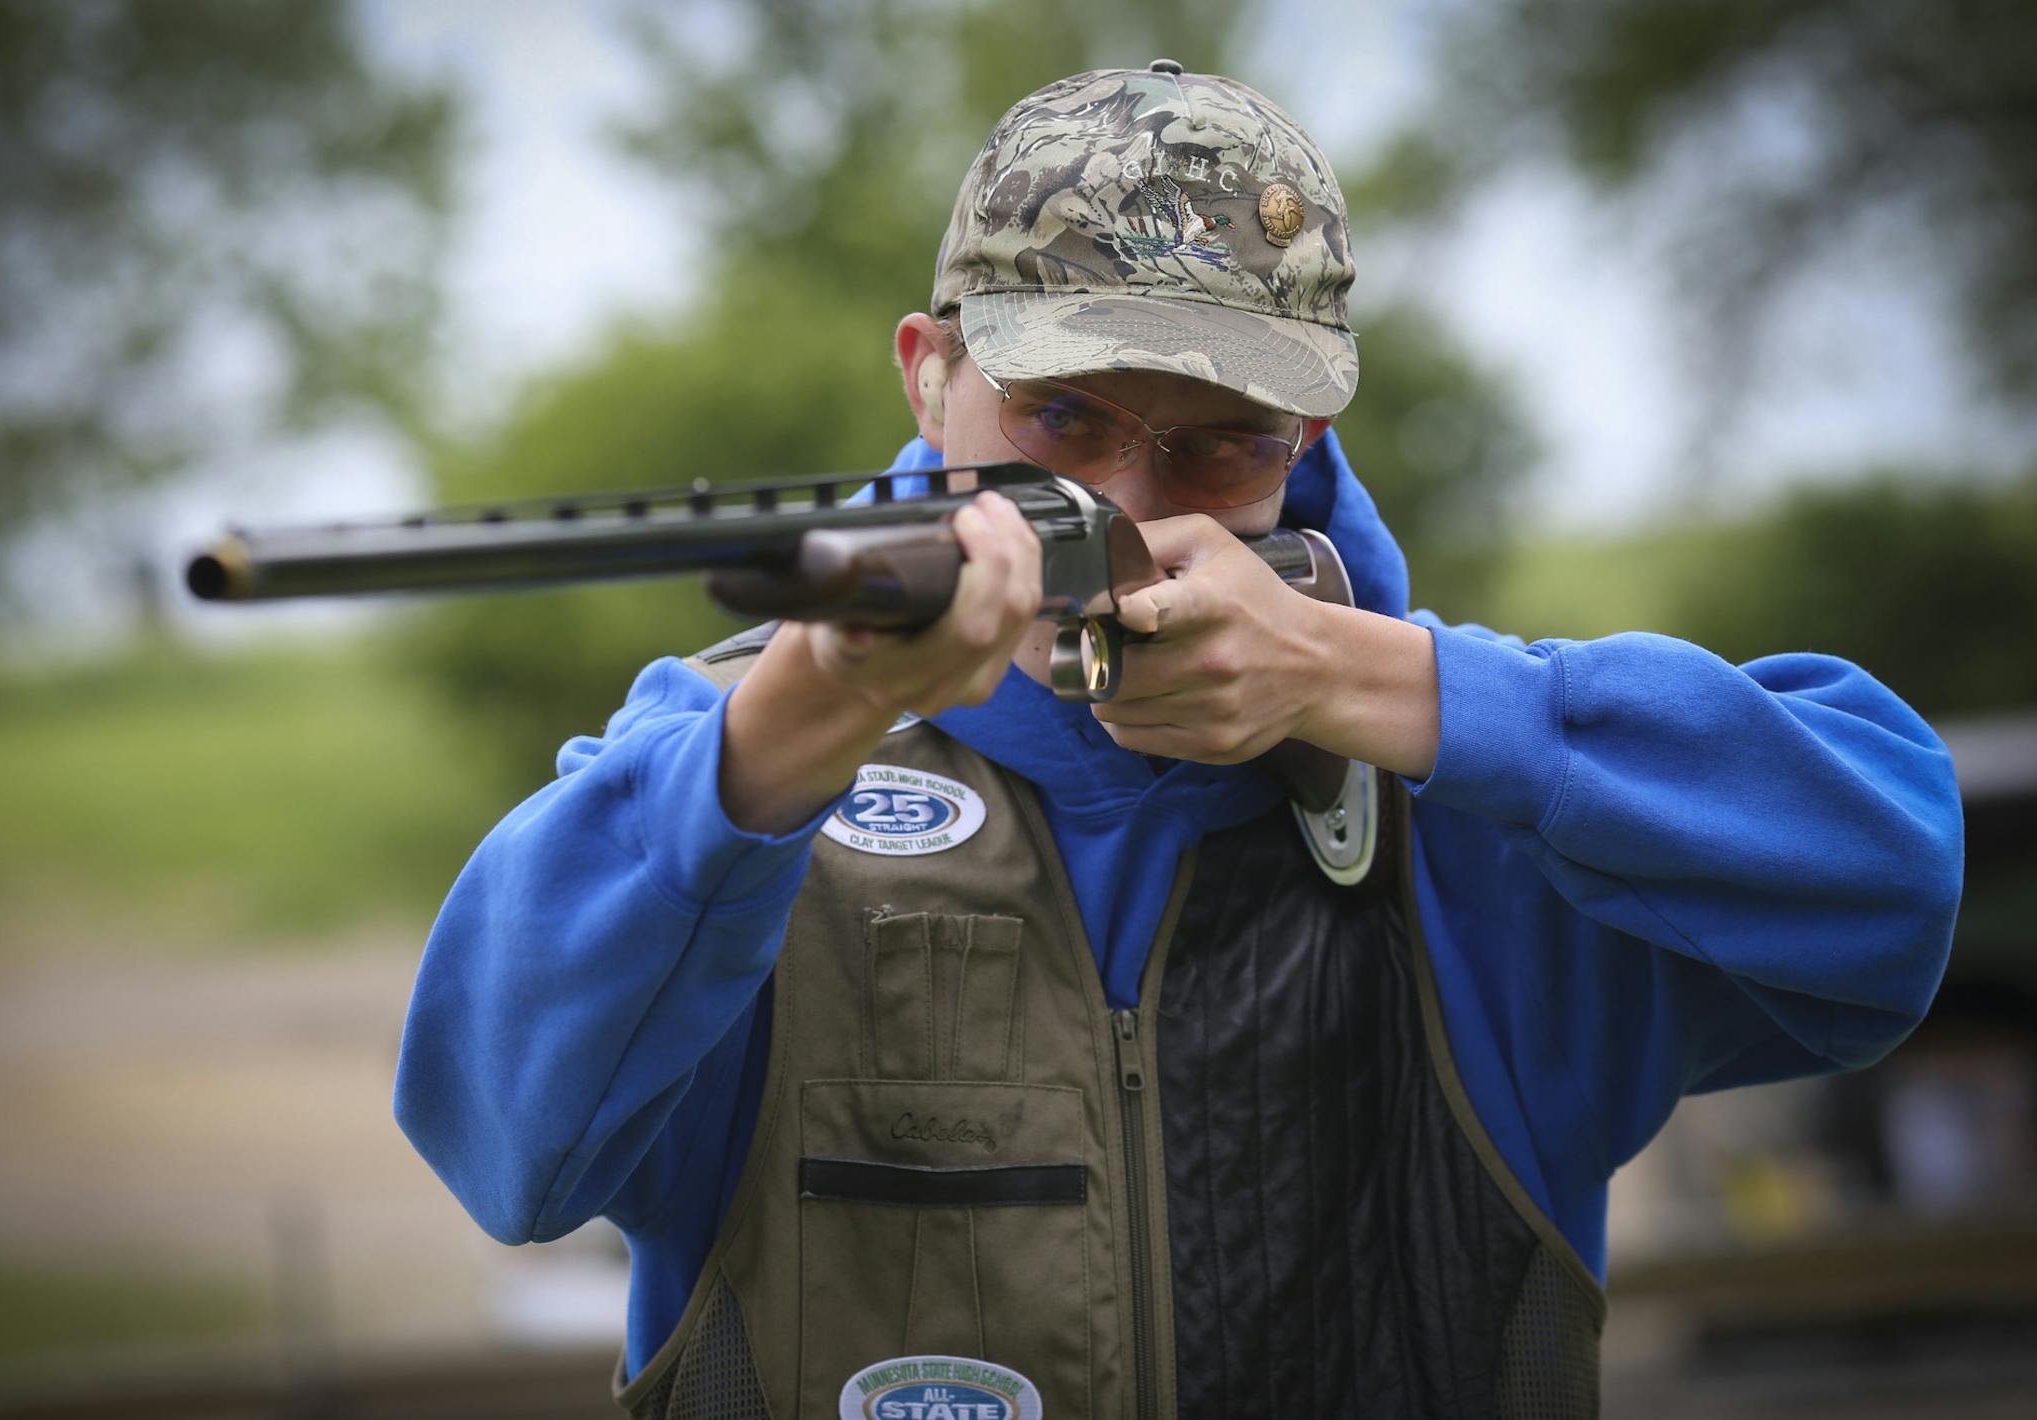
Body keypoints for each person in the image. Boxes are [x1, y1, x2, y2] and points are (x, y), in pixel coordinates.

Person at [394, 62, 1963, 1419]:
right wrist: (786, 737)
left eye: (1222, 443)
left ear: (1311, 442)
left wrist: (1388, 692)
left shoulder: (1473, 794)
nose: (1136, 513)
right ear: (929, 375)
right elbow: (497, 1142)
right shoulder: (729, 756)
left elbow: (1894, 891)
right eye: (1065, 421)